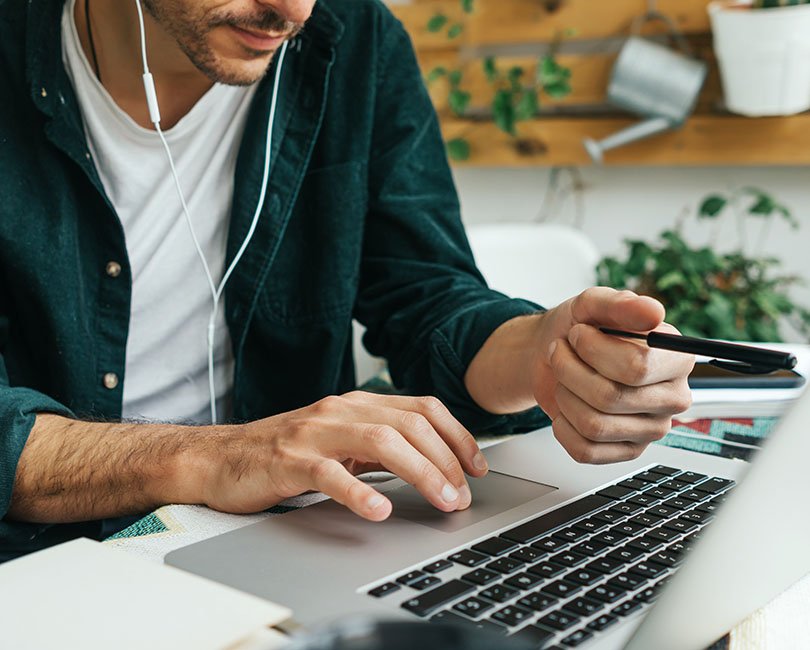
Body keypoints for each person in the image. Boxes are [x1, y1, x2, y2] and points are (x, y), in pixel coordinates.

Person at [0, 0, 693, 563]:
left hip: (297, 542)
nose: (291, 10)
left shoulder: (355, 38)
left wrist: (543, 353)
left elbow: (426, 295)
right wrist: (217, 458)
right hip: (46, 566)